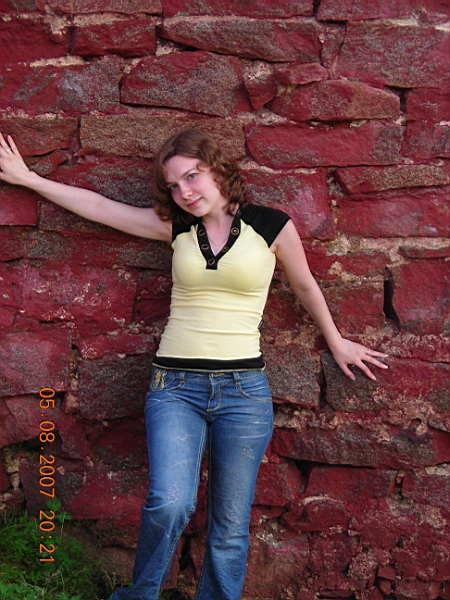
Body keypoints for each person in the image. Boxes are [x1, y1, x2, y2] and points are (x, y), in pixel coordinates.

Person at [0, 129, 388, 600]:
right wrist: (29, 179)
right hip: (175, 387)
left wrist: (337, 341)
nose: (184, 192)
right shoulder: (177, 227)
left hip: (244, 392)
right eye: (173, 185)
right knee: (169, 502)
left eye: (192, 176)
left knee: (229, 522)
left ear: (217, 169)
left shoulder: (272, 225)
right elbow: (100, 207)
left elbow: (304, 286)